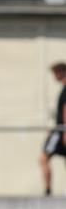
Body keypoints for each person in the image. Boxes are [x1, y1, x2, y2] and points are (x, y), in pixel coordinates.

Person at [40, 62, 66, 195]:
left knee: (43, 157)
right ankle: (48, 190)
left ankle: (48, 190)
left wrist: (64, 131)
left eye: (55, 73)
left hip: (62, 130)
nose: (54, 76)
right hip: (60, 129)